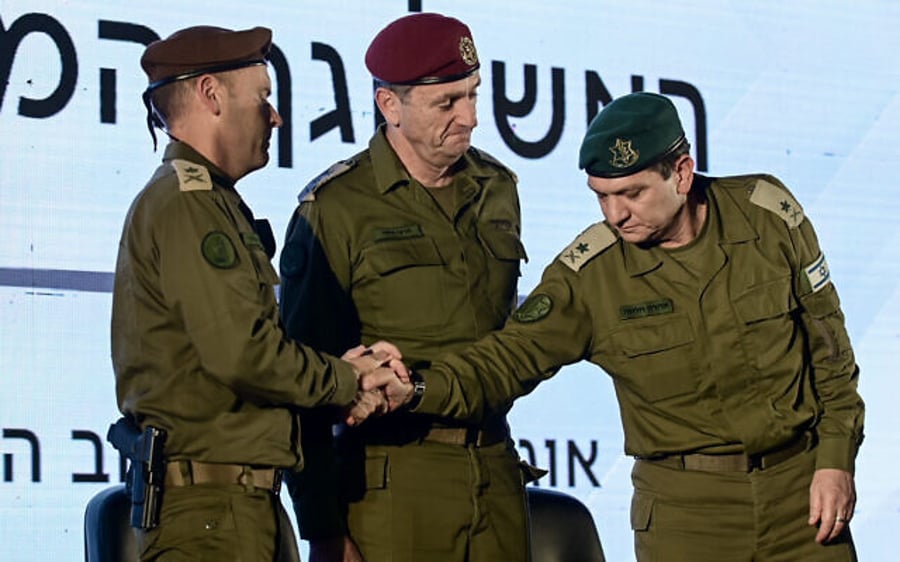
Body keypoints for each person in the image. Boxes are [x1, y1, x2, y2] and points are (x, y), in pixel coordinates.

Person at [367, 92, 865, 561]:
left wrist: (837, 458)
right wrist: (418, 386)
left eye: (631, 193)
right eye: (601, 196)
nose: (615, 214)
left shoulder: (768, 217)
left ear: (683, 174)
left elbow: (831, 353)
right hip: (687, 514)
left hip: (802, 495)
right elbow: (504, 360)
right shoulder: (591, 276)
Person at [111, 25, 401, 561]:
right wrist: (346, 379)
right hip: (211, 521)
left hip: (234, 509)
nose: (275, 116)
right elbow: (243, 354)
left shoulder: (208, 203)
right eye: (263, 97)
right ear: (210, 94)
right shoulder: (187, 204)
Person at [278, 12, 535, 562]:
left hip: (496, 473)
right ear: (390, 106)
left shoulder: (498, 188)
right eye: (447, 103)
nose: (469, 118)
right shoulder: (336, 209)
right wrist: (323, 528)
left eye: (473, 95)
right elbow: (301, 381)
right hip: (391, 484)